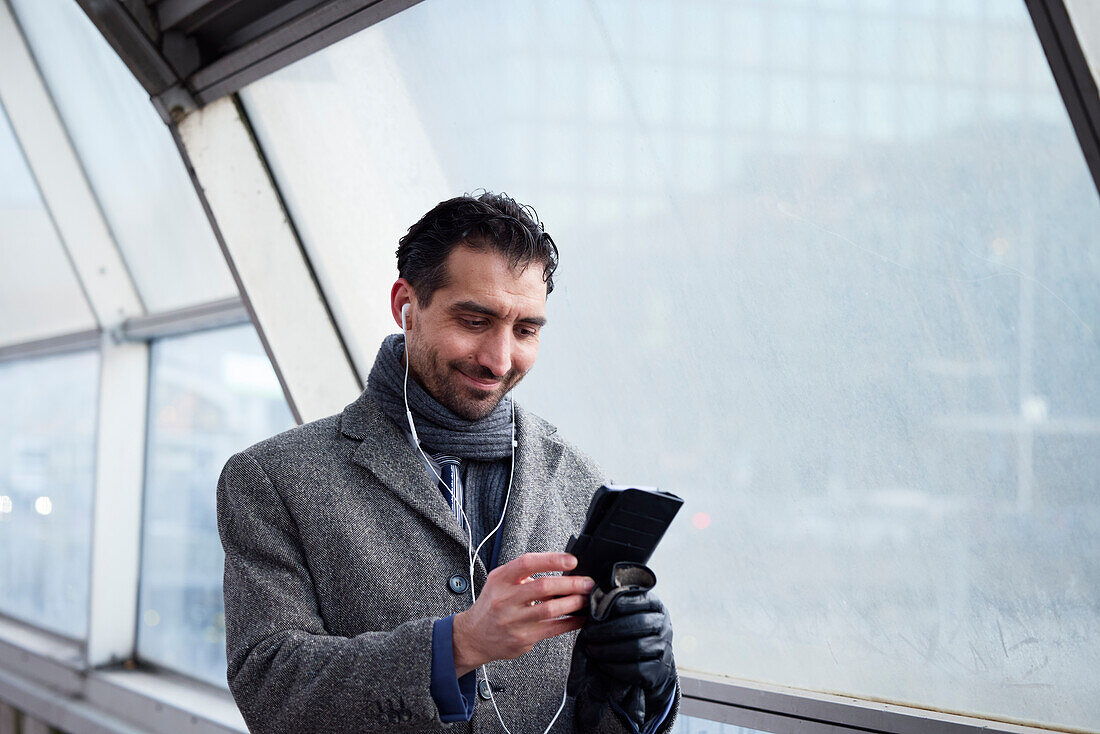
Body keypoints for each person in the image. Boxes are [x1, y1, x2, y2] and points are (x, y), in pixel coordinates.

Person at [217, 192, 679, 733]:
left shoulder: (577, 478)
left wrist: (645, 679)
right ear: (404, 305)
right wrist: (459, 645)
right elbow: (270, 691)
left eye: (526, 330)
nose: (499, 359)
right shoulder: (272, 480)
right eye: (475, 320)